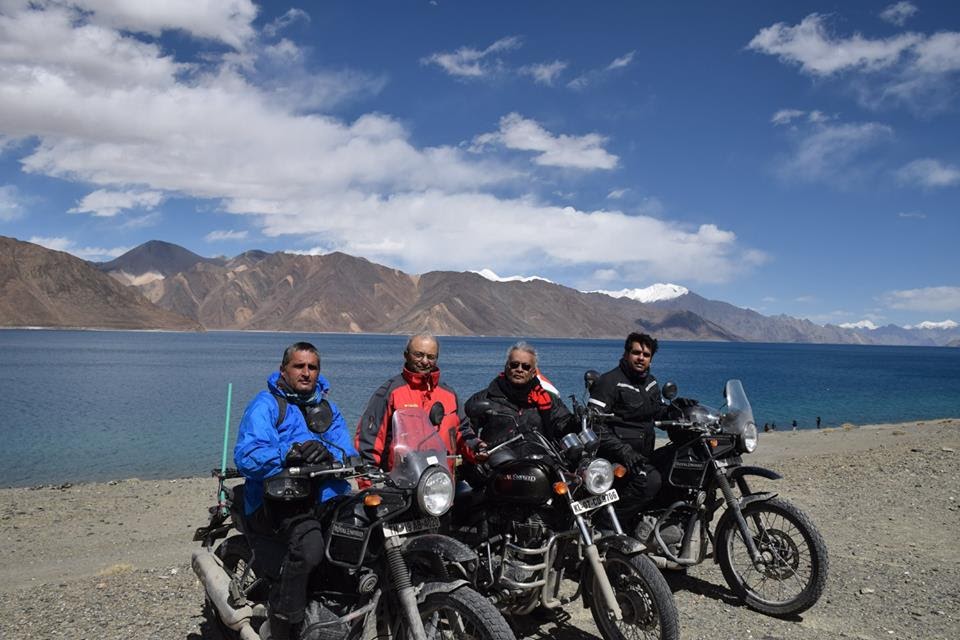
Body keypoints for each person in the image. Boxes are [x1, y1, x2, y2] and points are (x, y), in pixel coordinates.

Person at [234, 341, 357, 640]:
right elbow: (247, 456)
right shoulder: (266, 405)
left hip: (325, 496)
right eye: (298, 366)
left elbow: (347, 451)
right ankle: (284, 623)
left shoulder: (326, 408)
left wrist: (328, 453)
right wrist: (290, 452)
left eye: (312, 367)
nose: (306, 373)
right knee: (308, 548)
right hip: (278, 498)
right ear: (283, 370)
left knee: (361, 533)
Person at [588, 332, 687, 537]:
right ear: (626, 354)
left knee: (677, 467)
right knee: (650, 481)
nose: (641, 358)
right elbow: (594, 425)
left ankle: (653, 523)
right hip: (616, 458)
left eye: (646, 354)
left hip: (642, 456)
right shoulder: (609, 382)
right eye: (636, 353)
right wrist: (624, 451)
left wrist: (678, 410)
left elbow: (657, 411)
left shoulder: (650, 382)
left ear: (651, 359)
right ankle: (605, 525)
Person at [355, 333, 469, 484]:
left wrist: (478, 449)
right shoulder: (391, 392)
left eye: (431, 357)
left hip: (441, 485)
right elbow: (368, 441)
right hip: (400, 484)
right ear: (406, 355)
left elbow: (463, 432)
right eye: (419, 355)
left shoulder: (449, 395)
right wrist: (368, 485)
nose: (425, 361)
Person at [459, 341, 574, 466]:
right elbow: (464, 431)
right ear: (506, 366)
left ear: (533, 372)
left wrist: (578, 420)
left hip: (540, 468)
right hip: (496, 469)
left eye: (526, 366)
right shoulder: (486, 398)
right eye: (514, 365)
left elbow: (564, 427)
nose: (519, 369)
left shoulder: (547, 399)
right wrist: (477, 448)